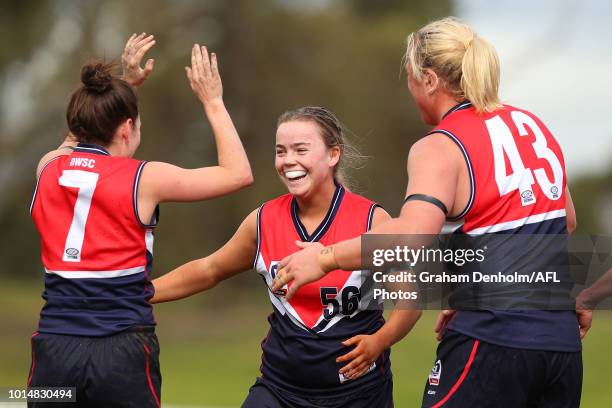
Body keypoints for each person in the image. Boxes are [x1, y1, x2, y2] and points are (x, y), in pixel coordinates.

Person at [273, 17, 586, 407]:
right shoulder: (531, 125)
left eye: (409, 77)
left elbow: (409, 239)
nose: (409, 88)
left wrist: (324, 258)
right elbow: (564, 222)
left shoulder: (441, 145)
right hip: (561, 347)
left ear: (428, 79)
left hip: (494, 341)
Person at [27, 33, 253, 408]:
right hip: (121, 351)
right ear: (127, 128)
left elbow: (76, 137)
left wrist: (123, 88)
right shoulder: (142, 178)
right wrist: (213, 101)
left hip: (54, 347)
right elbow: (238, 173)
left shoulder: (48, 166)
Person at [151, 106, 421, 408]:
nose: (288, 160)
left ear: (333, 155)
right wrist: (139, 293)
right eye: (281, 151)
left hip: (359, 394)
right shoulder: (262, 221)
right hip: (279, 391)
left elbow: (411, 303)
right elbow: (210, 269)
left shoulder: (372, 220)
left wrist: (379, 342)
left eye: (300, 150)